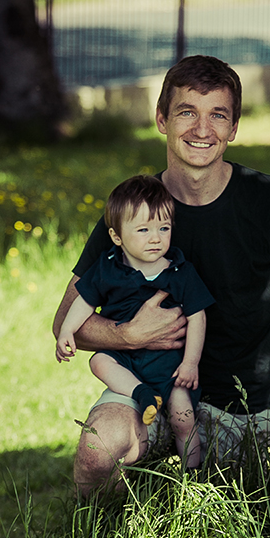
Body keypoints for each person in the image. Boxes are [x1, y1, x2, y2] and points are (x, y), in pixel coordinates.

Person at [52, 55, 270, 491]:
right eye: (186, 113)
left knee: (232, 516)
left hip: (238, 403)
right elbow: (66, 323)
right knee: (97, 451)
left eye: (218, 115)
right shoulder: (133, 209)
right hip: (145, 387)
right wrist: (128, 337)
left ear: (233, 128)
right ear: (161, 119)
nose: (202, 129)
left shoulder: (269, 200)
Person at [55, 174, 213, 468]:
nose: (156, 237)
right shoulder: (108, 268)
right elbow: (85, 300)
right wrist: (66, 330)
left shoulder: (179, 271)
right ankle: (143, 395)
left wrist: (190, 363)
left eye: (163, 228)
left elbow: (197, 316)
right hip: (125, 359)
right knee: (98, 361)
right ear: (117, 236)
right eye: (143, 229)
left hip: (170, 366)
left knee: (183, 419)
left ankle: (192, 478)